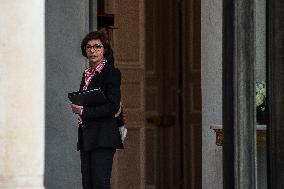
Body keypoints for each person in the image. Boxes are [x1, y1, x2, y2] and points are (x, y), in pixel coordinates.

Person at [71, 31, 123, 189]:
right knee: (88, 184)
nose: (92, 50)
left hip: (103, 136)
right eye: (89, 47)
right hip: (87, 136)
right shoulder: (86, 74)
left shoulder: (111, 73)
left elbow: (113, 106)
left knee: (100, 184)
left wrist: (83, 112)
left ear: (104, 49)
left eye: (97, 47)